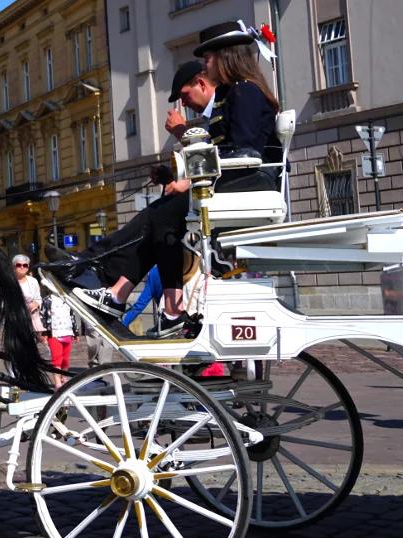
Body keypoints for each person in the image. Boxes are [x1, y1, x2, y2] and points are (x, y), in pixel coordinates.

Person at [67, 21, 281, 338]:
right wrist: (184, 177)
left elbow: (242, 152)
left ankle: (106, 277)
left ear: (225, 56)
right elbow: (225, 149)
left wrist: (193, 179)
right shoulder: (236, 93)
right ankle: (140, 300)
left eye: (208, 59)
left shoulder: (245, 92)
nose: (206, 67)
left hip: (246, 181)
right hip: (236, 181)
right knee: (161, 219)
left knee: (160, 216)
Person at [41, 283, 76, 389]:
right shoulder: (47, 300)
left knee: (65, 359)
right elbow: (43, 316)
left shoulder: (68, 299)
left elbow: (72, 316)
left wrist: (76, 332)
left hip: (67, 332)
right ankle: (57, 382)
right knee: (56, 359)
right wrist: (45, 333)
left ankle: (64, 378)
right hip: (54, 333)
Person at [12, 254, 46, 336]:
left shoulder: (33, 281)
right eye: (19, 265)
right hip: (15, 319)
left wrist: (36, 304)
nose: (22, 267)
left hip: (32, 318)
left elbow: (38, 298)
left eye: (25, 265)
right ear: (14, 267)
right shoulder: (9, 281)